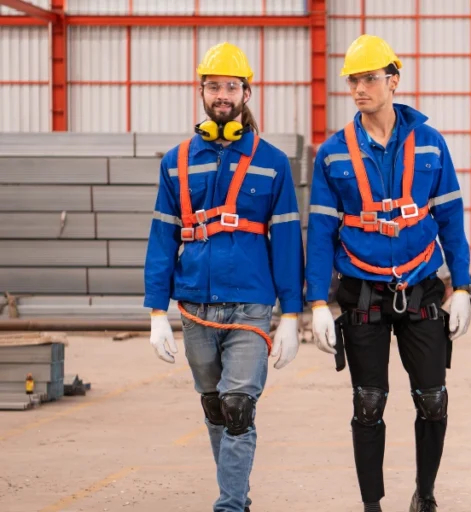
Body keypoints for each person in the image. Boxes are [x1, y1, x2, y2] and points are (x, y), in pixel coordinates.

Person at [303, 34, 471, 512]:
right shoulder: (333, 153)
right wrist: (317, 301)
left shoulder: (431, 144)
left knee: (433, 399)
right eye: (353, 80)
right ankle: (372, 506)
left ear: (393, 80)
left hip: (420, 286)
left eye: (369, 78)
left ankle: (425, 495)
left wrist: (461, 286)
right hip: (361, 293)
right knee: (368, 403)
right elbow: (319, 232)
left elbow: (451, 220)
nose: (359, 88)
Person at [143, 41, 304, 512]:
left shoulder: (272, 162)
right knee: (215, 408)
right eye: (213, 85)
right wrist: (157, 311)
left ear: (246, 93)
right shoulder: (176, 161)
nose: (222, 95)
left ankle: (230, 505)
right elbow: (161, 238)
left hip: (251, 304)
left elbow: (288, 243)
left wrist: (291, 313)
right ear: (202, 91)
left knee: (238, 408)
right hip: (195, 305)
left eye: (231, 86)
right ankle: (237, 495)